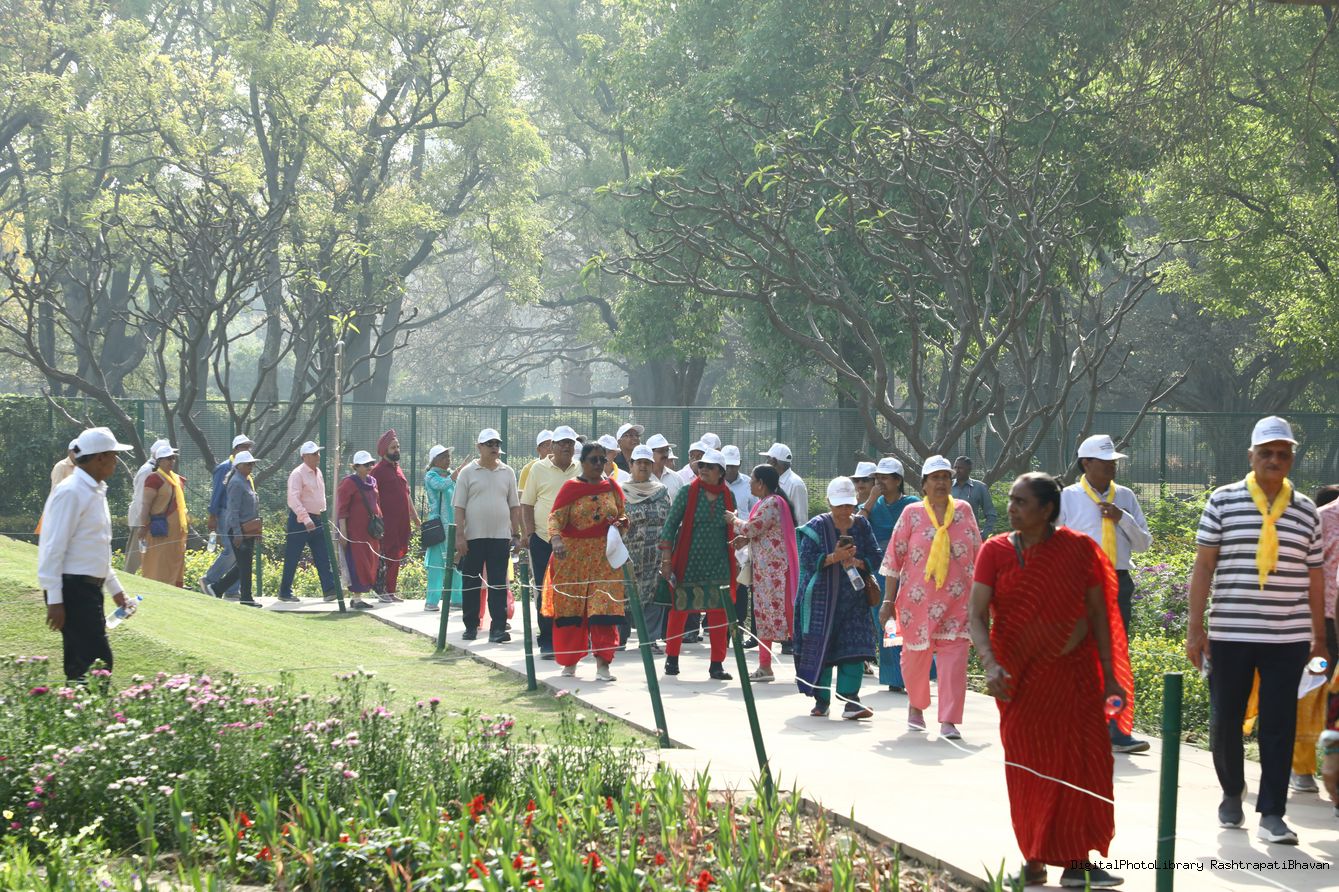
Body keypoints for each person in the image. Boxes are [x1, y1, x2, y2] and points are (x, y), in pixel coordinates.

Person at [969, 472, 1131, 888]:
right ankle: (1034, 859)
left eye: (1021, 502)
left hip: (1072, 679)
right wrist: (989, 664)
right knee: (1028, 770)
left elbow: (1098, 614)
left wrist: (1111, 676)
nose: (1011, 508)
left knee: (1080, 765)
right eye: (1011, 500)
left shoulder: (1078, 550)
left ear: (1046, 509)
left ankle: (1077, 863)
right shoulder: (994, 551)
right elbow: (976, 615)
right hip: (1017, 683)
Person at [1185, 416, 1327, 845]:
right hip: (1231, 632)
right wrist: (1195, 629)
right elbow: (1203, 566)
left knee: (1279, 724)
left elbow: (1315, 577)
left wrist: (1319, 637)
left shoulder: (1306, 510)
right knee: (1225, 719)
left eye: (1283, 453)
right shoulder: (1223, 501)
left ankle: (1272, 813)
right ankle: (1232, 791)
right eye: (1266, 452)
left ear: (1292, 459)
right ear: (1251, 456)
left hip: (1288, 637)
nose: (1274, 460)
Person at [1058, 434, 1153, 755]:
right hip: (1080, 585)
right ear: (1086, 463)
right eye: (1105, 461)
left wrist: (1122, 518)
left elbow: (1143, 543)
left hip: (1119, 582)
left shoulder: (1125, 497)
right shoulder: (1068, 497)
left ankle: (1117, 730)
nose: (1112, 466)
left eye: (1114, 461)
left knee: (1115, 657)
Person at [879, 455, 980, 739]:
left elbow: (978, 554)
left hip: (957, 602)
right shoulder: (911, 513)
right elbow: (894, 558)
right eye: (935, 478)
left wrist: (984, 602)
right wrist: (888, 601)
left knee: (954, 662)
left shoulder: (964, 511)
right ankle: (916, 706)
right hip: (917, 604)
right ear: (924, 484)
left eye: (945, 477)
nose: (941, 483)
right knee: (914, 660)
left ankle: (949, 720)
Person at [38, 427, 135, 681]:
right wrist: (55, 599)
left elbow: (95, 547)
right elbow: (52, 547)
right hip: (72, 589)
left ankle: (78, 704)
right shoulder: (71, 491)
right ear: (100, 457)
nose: (116, 461)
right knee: (95, 664)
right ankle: (83, 705)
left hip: (87, 589)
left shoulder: (94, 490)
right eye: (113, 455)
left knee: (87, 663)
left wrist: (115, 589)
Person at [794, 477, 879, 719]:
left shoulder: (862, 525)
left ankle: (851, 701)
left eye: (848, 505)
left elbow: (876, 555)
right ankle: (821, 700)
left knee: (854, 649)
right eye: (839, 505)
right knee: (822, 648)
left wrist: (858, 562)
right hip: (821, 602)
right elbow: (807, 560)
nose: (844, 510)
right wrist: (834, 557)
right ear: (829, 502)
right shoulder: (816, 526)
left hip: (855, 601)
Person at [544, 440, 628, 680]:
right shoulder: (570, 488)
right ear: (582, 462)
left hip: (604, 560)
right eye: (594, 460)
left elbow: (622, 514)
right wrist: (556, 539)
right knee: (572, 611)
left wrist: (621, 525)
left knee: (604, 611)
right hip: (572, 559)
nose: (599, 464)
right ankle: (569, 661)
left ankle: (603, 665)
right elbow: (555, 518)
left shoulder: (611, 487)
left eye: (603, 459)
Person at [659, 448, 737, 681]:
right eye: (701, 465)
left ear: (720, 472)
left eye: (709, 467)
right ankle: (672, 658)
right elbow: (670, 525)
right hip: (689, 561)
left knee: (719, 613)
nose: (703, 469)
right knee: (680, 610)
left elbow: (732, 529)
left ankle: (717, 665)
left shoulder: (728, 495)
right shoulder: (687, 492)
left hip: (719, 564)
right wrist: (666, 560)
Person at [727, 464, 798, 681]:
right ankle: (765, 666)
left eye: (752, 480)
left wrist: (733, 520)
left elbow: (752, 527)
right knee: (763, 617)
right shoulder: (766, 502)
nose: (749, 483)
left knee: (786, 616)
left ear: (761, 483)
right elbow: (762, 532)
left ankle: (803, 665)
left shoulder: (772, 503)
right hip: (766, 573)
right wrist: (746, 539)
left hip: (775, 573)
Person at [455, 427, 522, 643]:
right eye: (490, 444)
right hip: (473, 537)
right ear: (479, 447)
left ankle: (498, 629)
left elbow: (514, 506)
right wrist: (459, 536)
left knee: (498, 584)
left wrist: (516, 533)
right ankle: (471, 626)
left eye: (497, 444)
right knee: (471, 582)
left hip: (500, 537)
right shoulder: (467, 472)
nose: (494, 447)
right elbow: (459, 507)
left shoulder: (507, 472)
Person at [522, 426, 581, 657]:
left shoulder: (581, 468)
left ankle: (569, 638)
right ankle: (547, 640)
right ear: (552, 446)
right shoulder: (538, 469)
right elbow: (527, 504)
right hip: (543, 539)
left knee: (573, 590)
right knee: (545, 589)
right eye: (562, 443)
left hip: (574, 542)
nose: (567, 447)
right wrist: (529, 534)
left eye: (570, 443)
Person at [863, 457, 921, 692]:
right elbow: (857, 525)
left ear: (898, 481)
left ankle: (914, 673)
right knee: (887, 623)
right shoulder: (872, 505)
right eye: (877, 478)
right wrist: (870, 500)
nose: (880, 482)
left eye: (885, 478)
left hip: (909, 572)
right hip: (881, 572)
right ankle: (894, 677)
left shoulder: (911, 504)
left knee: (909, 622)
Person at [623, 444, 671, 651]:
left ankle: (650, 640)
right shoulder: (621, 491)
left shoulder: (661, 492)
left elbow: (669, 522)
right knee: (623, 595)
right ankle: (619, 639)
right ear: (631, 464)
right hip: (627, 556)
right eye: (639, 462)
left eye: (647, 463)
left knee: (653, 595)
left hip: (655, 556)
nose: (643, 466)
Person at [278, 441, 339, 604]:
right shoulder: (297, 474)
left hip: (318, 520)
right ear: (304, 456)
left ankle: (329, 589)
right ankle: (284, 591)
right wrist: (306, 519)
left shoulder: (318, 472)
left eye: (317, 453)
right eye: (314, 454)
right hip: (300, 521)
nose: (318, 456)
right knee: (292, 556)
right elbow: (293, 499)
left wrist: (321, 516)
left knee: (323, 555)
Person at [202, 434, 254, 599]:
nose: (247, 450)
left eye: (249, 447)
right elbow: (217, 492)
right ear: (236, 449)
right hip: (227, 513)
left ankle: (231, 590)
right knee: (232, 551)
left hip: (240, 516)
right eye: (244, 446)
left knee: (238, 554)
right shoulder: (225, 467)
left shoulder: (244, 468)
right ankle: (209, 579)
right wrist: (213, 515)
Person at [370, 430, 417, 603]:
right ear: (384, 450)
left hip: (401, 523)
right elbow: (371, 497)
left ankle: (391, 591)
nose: (397, 450)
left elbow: (407, 494)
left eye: (398, 446)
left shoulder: (398, 469)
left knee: (396, 555)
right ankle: (381, 590)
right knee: (386, 555)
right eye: (393, 447)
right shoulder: (377, 471)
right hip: (386, 524)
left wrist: (415, 517)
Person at [214, 451, 263, 608]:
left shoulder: (246, 480)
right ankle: (246, 598)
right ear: (239, 466)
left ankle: (217, 588)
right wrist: (237, 533)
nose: (251, 466)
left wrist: (256, 530)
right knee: (245, 566)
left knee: (242, 565)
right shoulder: (236, 482)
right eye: (248, 464)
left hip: (248, 529)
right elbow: (233, 511)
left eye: (252, 464)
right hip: (239, 529)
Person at [138, 442, 188, 589]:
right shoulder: (154, 478)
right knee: (157, 562)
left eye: (173, 458)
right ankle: (154, 589)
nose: (171, 461)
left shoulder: (177, 479)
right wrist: (142, 525)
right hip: (159, 529)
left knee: (175, 560)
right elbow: (146, 504)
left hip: (176, 531)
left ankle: (173, 589)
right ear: (159, 461)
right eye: (168, 458)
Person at [336, 450, 382, 610]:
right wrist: (343, 532)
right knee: (357, 562)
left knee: (370, 561)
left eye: (371, 463)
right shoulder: (348, 483)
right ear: (356, 466)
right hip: (355, 532)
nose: (369, 466)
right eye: (365, 464)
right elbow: (342, 509)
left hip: (371, 531)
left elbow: (377, 502)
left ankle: (359, 597)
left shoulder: (373, 481)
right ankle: (356, 598)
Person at [422, 445, 461, 612]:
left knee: (457, 562)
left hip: (454, 526)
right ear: (435, 460)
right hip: (438, 528)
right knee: (437, 565)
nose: (448, 459)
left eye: (448, 456)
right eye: (444, 456)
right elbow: (440, 486)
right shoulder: (431, 476)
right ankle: (431, 601)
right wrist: (454, 476)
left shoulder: (452, 475)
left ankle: (457, 599)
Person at [124, 439, 168, 574]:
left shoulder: (157, 470)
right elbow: (141, 498)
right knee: (134, 557)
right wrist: (143, 522)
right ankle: (126, 580)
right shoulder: (148, 470)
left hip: (151, 519)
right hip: (142, 519)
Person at [760, 442, 808, 525]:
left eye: (768, 459)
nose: (766, 462)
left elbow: (801, 518)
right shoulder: (771, 481)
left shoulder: (796, 484)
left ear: (774, 461)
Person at [951, 456, 996, 538]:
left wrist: (985, 534)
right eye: (955, 467)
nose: (957, 470)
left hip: (971, 536)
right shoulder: (947, 486)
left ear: (969, 469)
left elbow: (991, 514)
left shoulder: (980, 487)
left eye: (960, 468)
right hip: (949, 536)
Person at [518, 430, 553, 500]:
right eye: (546, 445)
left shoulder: (562, 467)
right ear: (538, 449)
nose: (550, 448)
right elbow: (522, 495)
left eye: (552, 445)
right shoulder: (528, 469)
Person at [722, 446, 756, 515]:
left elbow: (755, 510)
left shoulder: (749, 483)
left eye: (733, 466)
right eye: (727, 466)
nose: (730, 470)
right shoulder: (714, 482)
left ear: (740, 463)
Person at [648, 433, 683, 500]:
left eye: (667, 450)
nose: (665, 455)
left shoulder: (676, 478)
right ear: (650, 453)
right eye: (661, 451)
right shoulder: (641, 479)